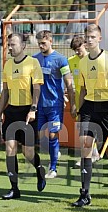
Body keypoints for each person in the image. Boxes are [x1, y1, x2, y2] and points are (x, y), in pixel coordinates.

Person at [71, 24, 108, 207]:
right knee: (85, 145)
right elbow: (82, 89)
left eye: (93, 37)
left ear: (99, 39)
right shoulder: (83, 62)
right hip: (88, 107)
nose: (89, 40)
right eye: (87, 37)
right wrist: (79, 110)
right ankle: (85, 194)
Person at [0, 33, 46, 199]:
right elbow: (5, 91)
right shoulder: (7, 65)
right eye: (8, 44)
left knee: (28, 152)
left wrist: (33, 109)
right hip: (11, 112)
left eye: (13, 44)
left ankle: (39, 169)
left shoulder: (33, 63)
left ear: (23, 46)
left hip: (27, 112)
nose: (10, 47)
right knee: (10, 149)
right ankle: (14, 188)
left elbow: (37, 88)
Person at [33, 30, 76, 179]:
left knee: (52, 134)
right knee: (41, 137)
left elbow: (68, 82)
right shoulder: (34, 59)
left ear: (51, 41)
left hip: (55, 104)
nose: (41, 46)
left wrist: (72, 103)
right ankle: (53, 152)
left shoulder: (61, 60)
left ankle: (53, 168)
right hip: (39, 105)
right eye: (38, 43)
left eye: (43, 43)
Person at [68, 36, 100, 166]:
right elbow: (70, 82)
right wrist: (73, 103)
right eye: (74, 50)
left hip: (93, 98)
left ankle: (89, 156)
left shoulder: (94, 60)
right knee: (82, 127)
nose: (77, 52)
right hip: (79, 98)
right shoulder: (71, 61)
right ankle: (93, 153)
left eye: (78, 49)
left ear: (85, 45)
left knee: (88, 127)